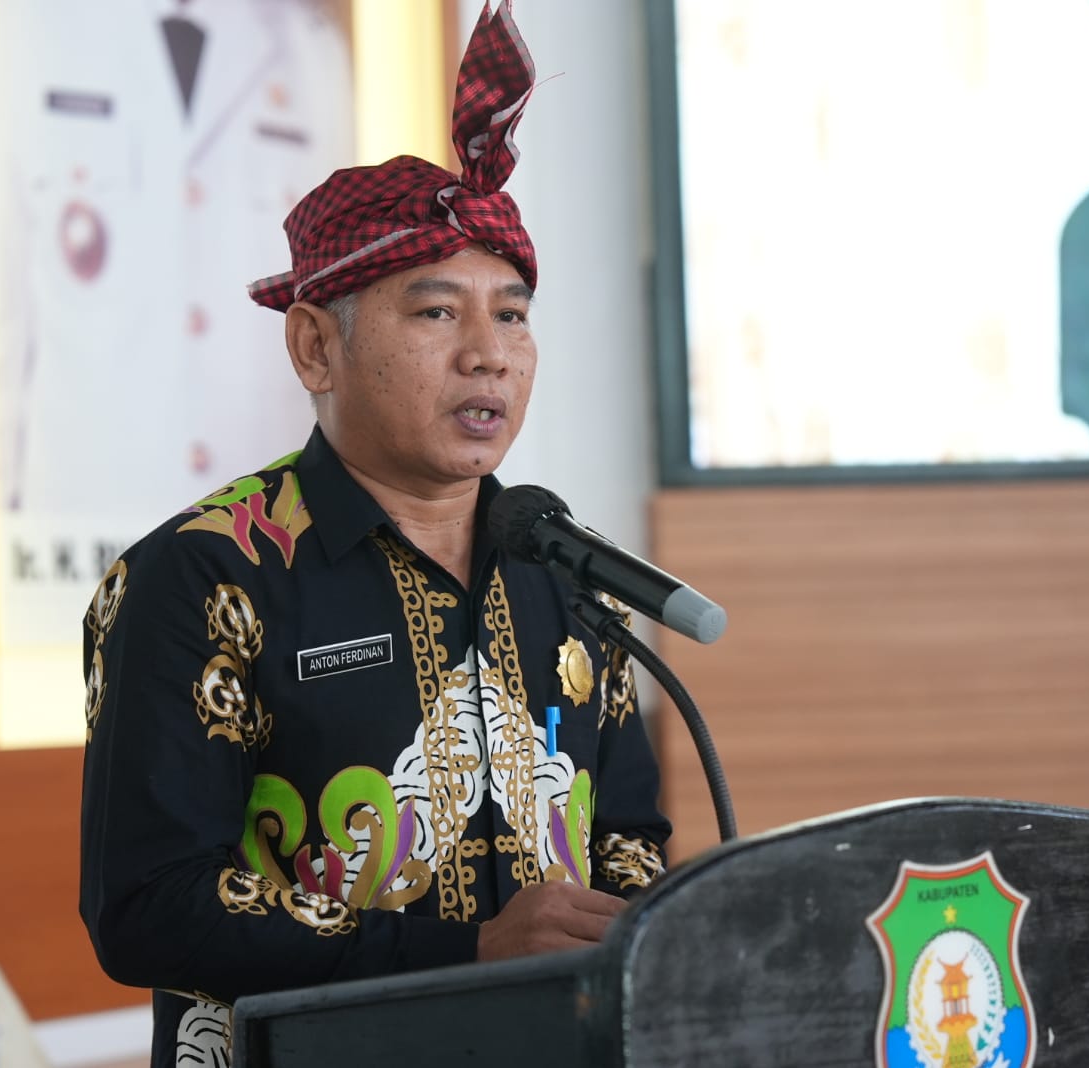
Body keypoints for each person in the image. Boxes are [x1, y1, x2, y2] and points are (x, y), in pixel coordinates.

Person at [77, 4, 670, 1065]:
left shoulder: (565, 571)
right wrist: (466, 951)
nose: (489, 353)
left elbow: (628, 840)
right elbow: (151, 904)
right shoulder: (203, 574)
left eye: (513, 313)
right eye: (438, 312)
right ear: (316, 347)